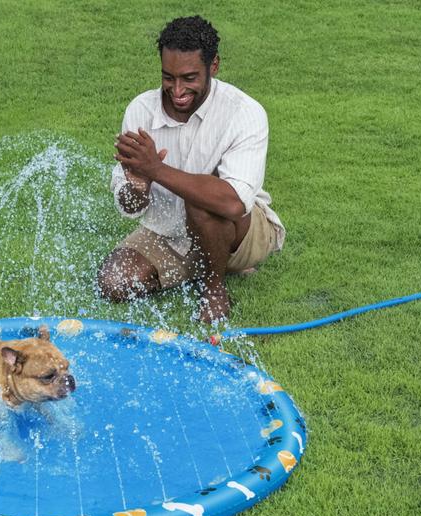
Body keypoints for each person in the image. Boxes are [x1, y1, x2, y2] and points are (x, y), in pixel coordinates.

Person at [99, 15, 286, 323]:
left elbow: (233, 202)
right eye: (168, 77)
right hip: (167, 231)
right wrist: (138, 188)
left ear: (213, 66)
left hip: (243, 232)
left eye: (189, 78)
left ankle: (214, 287)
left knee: (202, 199)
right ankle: (206, 263)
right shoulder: (140, 111)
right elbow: (127, 206)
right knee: (113, 283)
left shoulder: (245, 112)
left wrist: (156, 170)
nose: (177, 90)